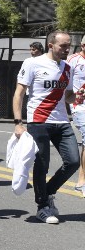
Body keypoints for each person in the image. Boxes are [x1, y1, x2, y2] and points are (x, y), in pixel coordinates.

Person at [12, 31, 79, 224]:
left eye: (69, 46)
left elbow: (68, 96)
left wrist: (78, 95)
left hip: (62, 121)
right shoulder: (32, 63)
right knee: (42, 165)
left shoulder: (67, 67)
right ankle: (42, 207)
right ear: (51, 45)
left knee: (73, 161)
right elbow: (19, 94)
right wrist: (18, 123)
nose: (67, 49)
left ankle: (48, 192)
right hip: (39, 120)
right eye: (63, 46)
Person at [67, 40, 85, 197]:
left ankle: (81, 180)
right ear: (82, 45)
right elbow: (64, 80)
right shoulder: (73, 60)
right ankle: (82, 182)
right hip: (79, 106)